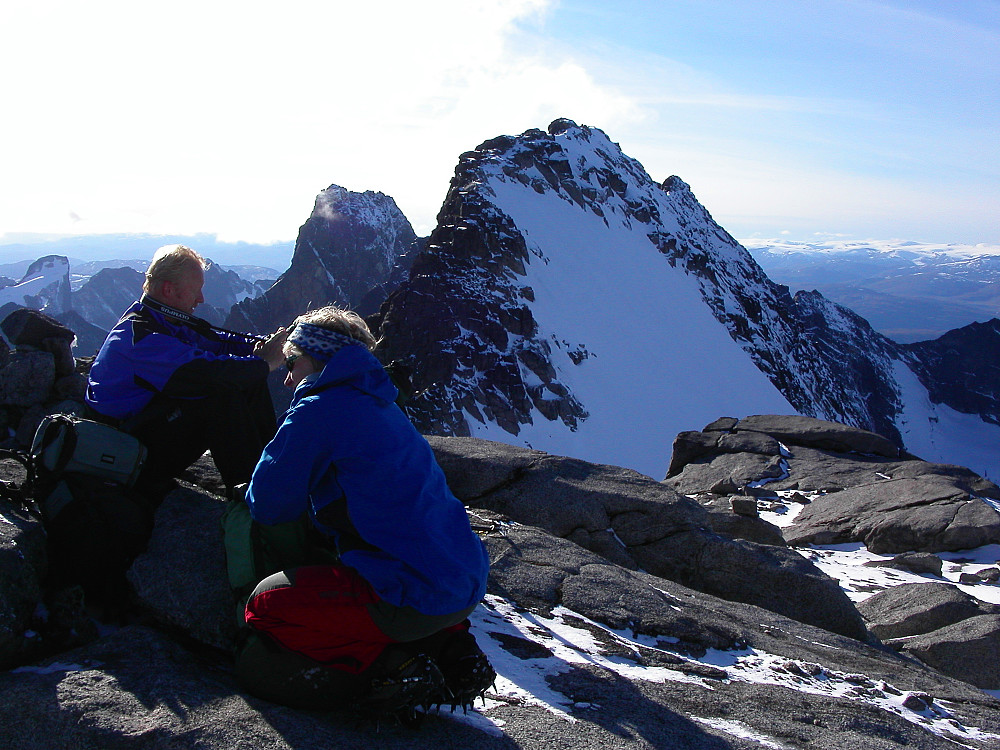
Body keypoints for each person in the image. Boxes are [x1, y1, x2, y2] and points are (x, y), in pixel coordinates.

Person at [235, 306, 493, 719]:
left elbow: (268, 502)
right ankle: (450, 648)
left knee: (266, 606)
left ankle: (392, 668)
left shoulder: (319, 410)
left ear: (317, 358)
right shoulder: (382, 403)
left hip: (410, 594)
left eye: (290, 361)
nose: (286, 376)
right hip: (463, 584)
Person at [86, 244, 287, 495]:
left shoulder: (160, 319)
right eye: (196, 290)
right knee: (222, 396)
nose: (201, 299)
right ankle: (255, 495)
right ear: (169, 290)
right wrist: (265, 363)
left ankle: (271, 470)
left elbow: (218, 341)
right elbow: (209, 372)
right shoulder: (141, 339)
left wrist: (267, 345)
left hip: (148, 422)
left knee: (246, 379)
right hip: (127, 447)